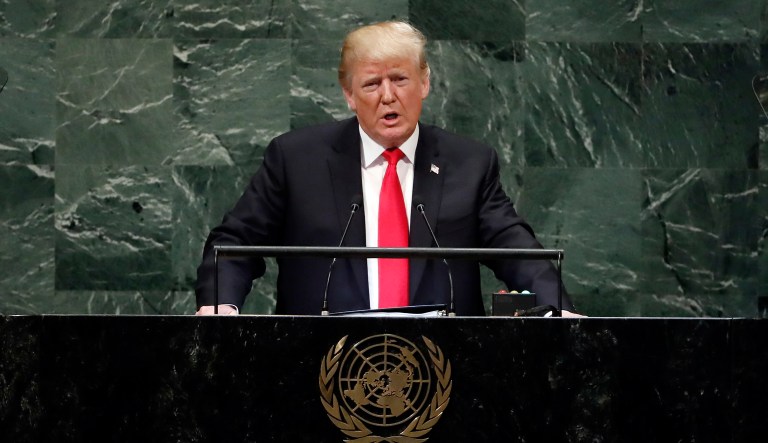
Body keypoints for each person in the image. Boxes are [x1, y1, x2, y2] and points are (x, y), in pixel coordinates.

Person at [195, 21, 576, 316]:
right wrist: (220, 304)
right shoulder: (296, 159)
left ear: (425, 82)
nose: (388, 96)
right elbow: (234, 244)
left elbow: (517, 249)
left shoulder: (469, 163)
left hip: (441, 372)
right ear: (349, 95)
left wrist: (557, 307)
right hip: (316, 368)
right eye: (372, 83)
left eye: (400, 79)